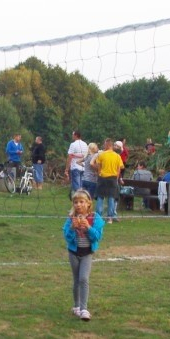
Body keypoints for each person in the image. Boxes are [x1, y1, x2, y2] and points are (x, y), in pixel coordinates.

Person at [63, 189, 105, 322]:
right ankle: (76, 306)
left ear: (88, 203)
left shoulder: (95, 218)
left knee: (83, 279)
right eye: (75, 202)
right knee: (76, 280)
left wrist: (88, 228)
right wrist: (71, 229)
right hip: (74, 253)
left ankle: (84, 309)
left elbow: (97, 237)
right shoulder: (71, 218)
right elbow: (67, 238)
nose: (78, 205)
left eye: (81, 202)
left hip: (87, 253)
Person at [96, 138, 124, 223]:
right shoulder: (117, 156)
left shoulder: (101, 155)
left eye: (104, 144)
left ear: (107, 145)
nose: (104, 146)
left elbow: (99, 167)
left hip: (103, 178)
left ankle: (98, 216)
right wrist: (116, 177)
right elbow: (119, 169)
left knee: (100, 197)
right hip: (112, 178)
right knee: (111, 197)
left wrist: (99, 174)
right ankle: (110, 217)